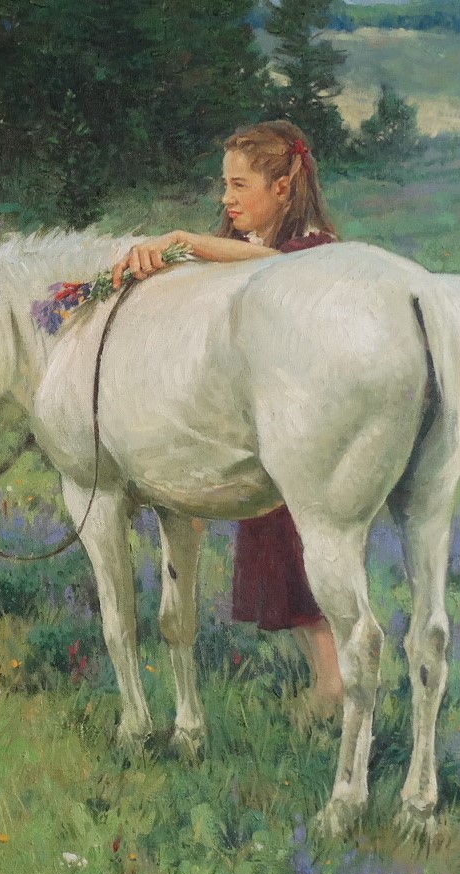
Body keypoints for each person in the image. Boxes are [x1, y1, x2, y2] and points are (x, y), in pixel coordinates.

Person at [110, 119, 345, 716]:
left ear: (285, 187)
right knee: (274, 542)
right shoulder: (250, 245)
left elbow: (266, 267)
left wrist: (182, 240)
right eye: (225, 185)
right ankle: (327, 679)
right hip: (252, 421)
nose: (227, 198)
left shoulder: (311, 249)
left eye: (240, 185)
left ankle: (333, 681)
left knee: (301, 548)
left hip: (305, 426)